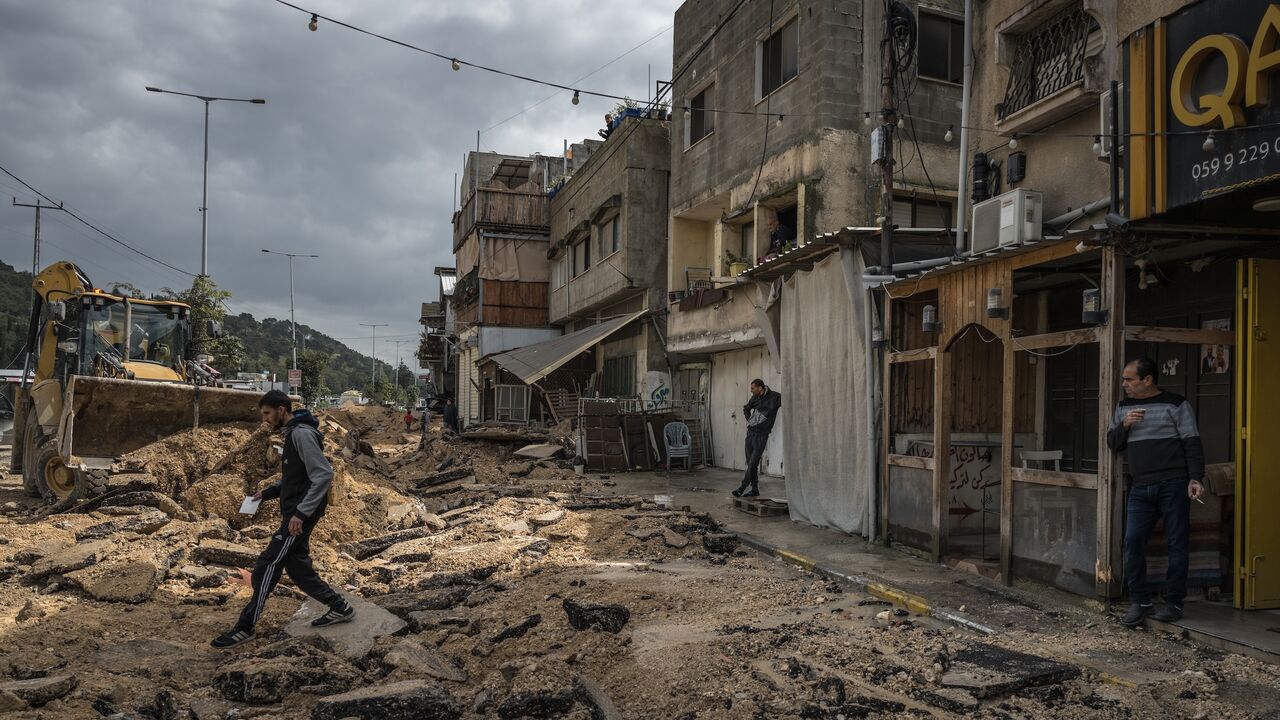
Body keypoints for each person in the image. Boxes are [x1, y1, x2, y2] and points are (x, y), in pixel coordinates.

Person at [211, 390, 354, 649]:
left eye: (267, 413)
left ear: (281, 409)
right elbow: (295, 479)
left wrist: (300, 514)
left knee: (268, 564)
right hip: (296, 512)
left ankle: (245, 627)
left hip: (299, 515)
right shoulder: (293, 433)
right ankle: (339, 607)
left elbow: (323, 474)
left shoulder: (301, 434)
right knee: (298, 569)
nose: (265, 419)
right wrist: (266, 493)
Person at [1106, 357, 1205, 627]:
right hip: (1139, 485)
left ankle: (1173, 603)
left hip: (1173, 483)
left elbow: (1192, 443)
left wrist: (1196, 477)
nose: (1124, 384)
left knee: (1177, 543)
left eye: (1129, 379)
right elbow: (1112, 444)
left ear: (1147, 380)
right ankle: (1141, 602)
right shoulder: (1124, 407)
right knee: (1133, 541)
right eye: (1124, 379)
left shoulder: (1176, 404)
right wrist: (1124, 425)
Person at [733, 379, 782, 498]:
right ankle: (755, 489)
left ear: (760, 388)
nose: (751, 391)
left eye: (753, 388)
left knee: (753, 463)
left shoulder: (775, 397)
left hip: (762, 435)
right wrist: (751, 421)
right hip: (750, 433)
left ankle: (742, 487)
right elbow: (746, 408)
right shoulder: (754, 397)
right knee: (751, 463)